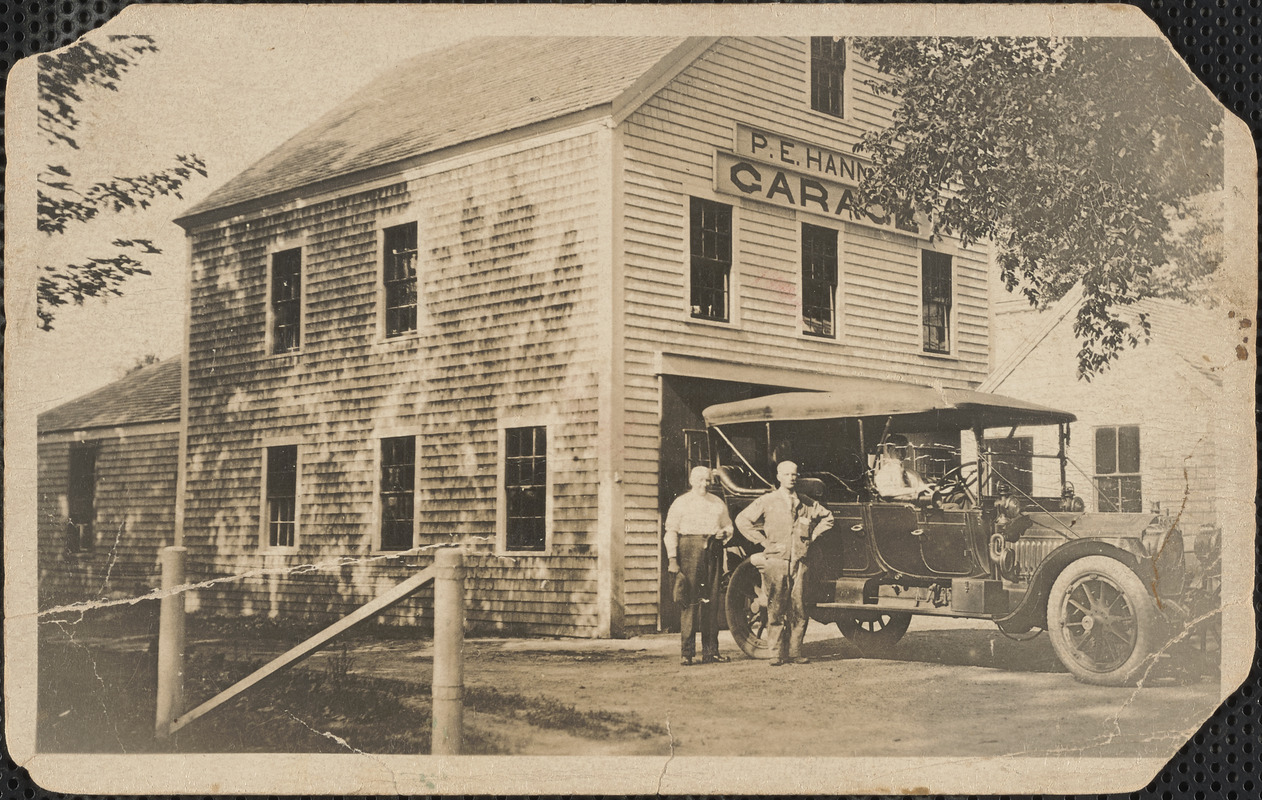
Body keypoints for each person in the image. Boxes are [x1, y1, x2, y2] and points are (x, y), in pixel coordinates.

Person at [734, 461, 834, 666]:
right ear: (779, 477)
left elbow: (828, 518)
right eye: (787, 474)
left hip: (799, 562)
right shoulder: (767, 501)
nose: (792, 478)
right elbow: (742, 520)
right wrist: (761, 541)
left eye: (794, 474)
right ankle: (776, 654)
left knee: (799, 609)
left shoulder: (805, 503)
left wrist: (814, 535)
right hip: (776, 561)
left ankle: (796, 652)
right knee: (775, 608)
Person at [664, 466, 734, 666]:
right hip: (689, 550)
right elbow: (671, 531)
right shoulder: (681, 503)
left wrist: (724, 533)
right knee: (690, 601)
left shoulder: (717, 503)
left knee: (711, 601)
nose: (705, 484)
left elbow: (728, 525)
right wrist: (672, 559)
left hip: (713, 551)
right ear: (692, 481)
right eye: (701, 480)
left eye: (708, 480)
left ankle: (711, 651)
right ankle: (687, 653)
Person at [873, 434, 935, 501]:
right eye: (897, 449)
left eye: (904, 449)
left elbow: (923, 489)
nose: (900, 453)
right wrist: (914, 490)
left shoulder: (912, 473)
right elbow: (885, 492)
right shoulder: (884, 473)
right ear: (888, 450)